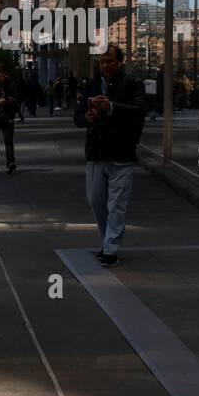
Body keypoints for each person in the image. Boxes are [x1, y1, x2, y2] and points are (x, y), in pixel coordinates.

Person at [76, 46, 147, 269]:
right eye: (102, 61)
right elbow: (78, 116)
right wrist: (87, 117)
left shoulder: (132, 83)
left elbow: (139, 110)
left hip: (121, 152)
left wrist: (111, 107)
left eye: (109, 61)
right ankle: (108, 242)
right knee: (95, 201)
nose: (105, 65)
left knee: (117, 204)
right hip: (96, 152)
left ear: (119, 62)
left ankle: (110, 249)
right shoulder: (92, 84)